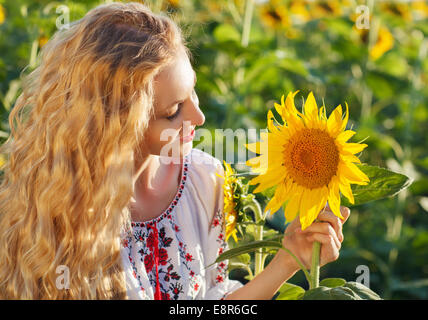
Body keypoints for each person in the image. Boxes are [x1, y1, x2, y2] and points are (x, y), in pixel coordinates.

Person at [0, 2, 349, 300]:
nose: (198, 116)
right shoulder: (62, 210)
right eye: (172, 112)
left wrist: (288, 260)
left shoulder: (204, 180)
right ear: (116, 126)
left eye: (193, 92)